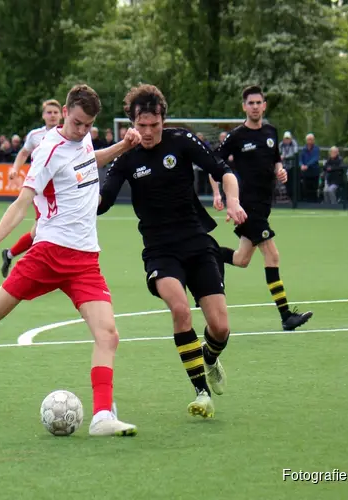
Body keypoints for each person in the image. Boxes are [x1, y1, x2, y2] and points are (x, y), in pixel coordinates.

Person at [0, 84, 139, 437]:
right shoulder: (47, 151)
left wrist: (120, 148)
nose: (82, 131)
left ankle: (101, 417)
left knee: (108, 335)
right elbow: (21, 204)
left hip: (85, 260)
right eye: (78, 123)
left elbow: (87, 160)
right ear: (65, 112)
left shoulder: (82, 139)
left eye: (88, 126)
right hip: (48, 255)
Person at [98, 84, 246, 419]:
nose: (148, 132)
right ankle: (201, 392)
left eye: (154, 125)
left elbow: (224, 172)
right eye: (142, 126)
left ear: (163, 120)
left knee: (220, 328)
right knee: (179, 308)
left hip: (197, 242)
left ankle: (209, 358)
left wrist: (233, 201)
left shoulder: (181, 141)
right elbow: (102, 201)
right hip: (159, 251)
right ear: (132, 122)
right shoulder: (127, 157)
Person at [210, 85, 313, 332]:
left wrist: (280, 170)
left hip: (265, 206)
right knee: (272, 255)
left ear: (264, 105)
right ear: (244, 106)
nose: (255, 106)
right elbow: (213, 163)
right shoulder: (236, 136)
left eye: (259, 102)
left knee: (241, 259)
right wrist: (218, 194)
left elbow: (276, 159)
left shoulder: (270, 132)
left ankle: (209, 254)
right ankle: (286, 315)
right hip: (247, 207)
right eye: (251, 103)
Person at [0, 99, 63, 277]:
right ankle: (38, 268)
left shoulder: (67, 134)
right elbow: (23, 153)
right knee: (45, 227)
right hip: (41, 189)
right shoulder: (35, 135)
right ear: (43, 116)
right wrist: (15, 168)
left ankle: (10, 254)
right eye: (49, 112)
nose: (52, 116)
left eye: (55, 112)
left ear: (61, 115)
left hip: (61, 189)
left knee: (39, 230)